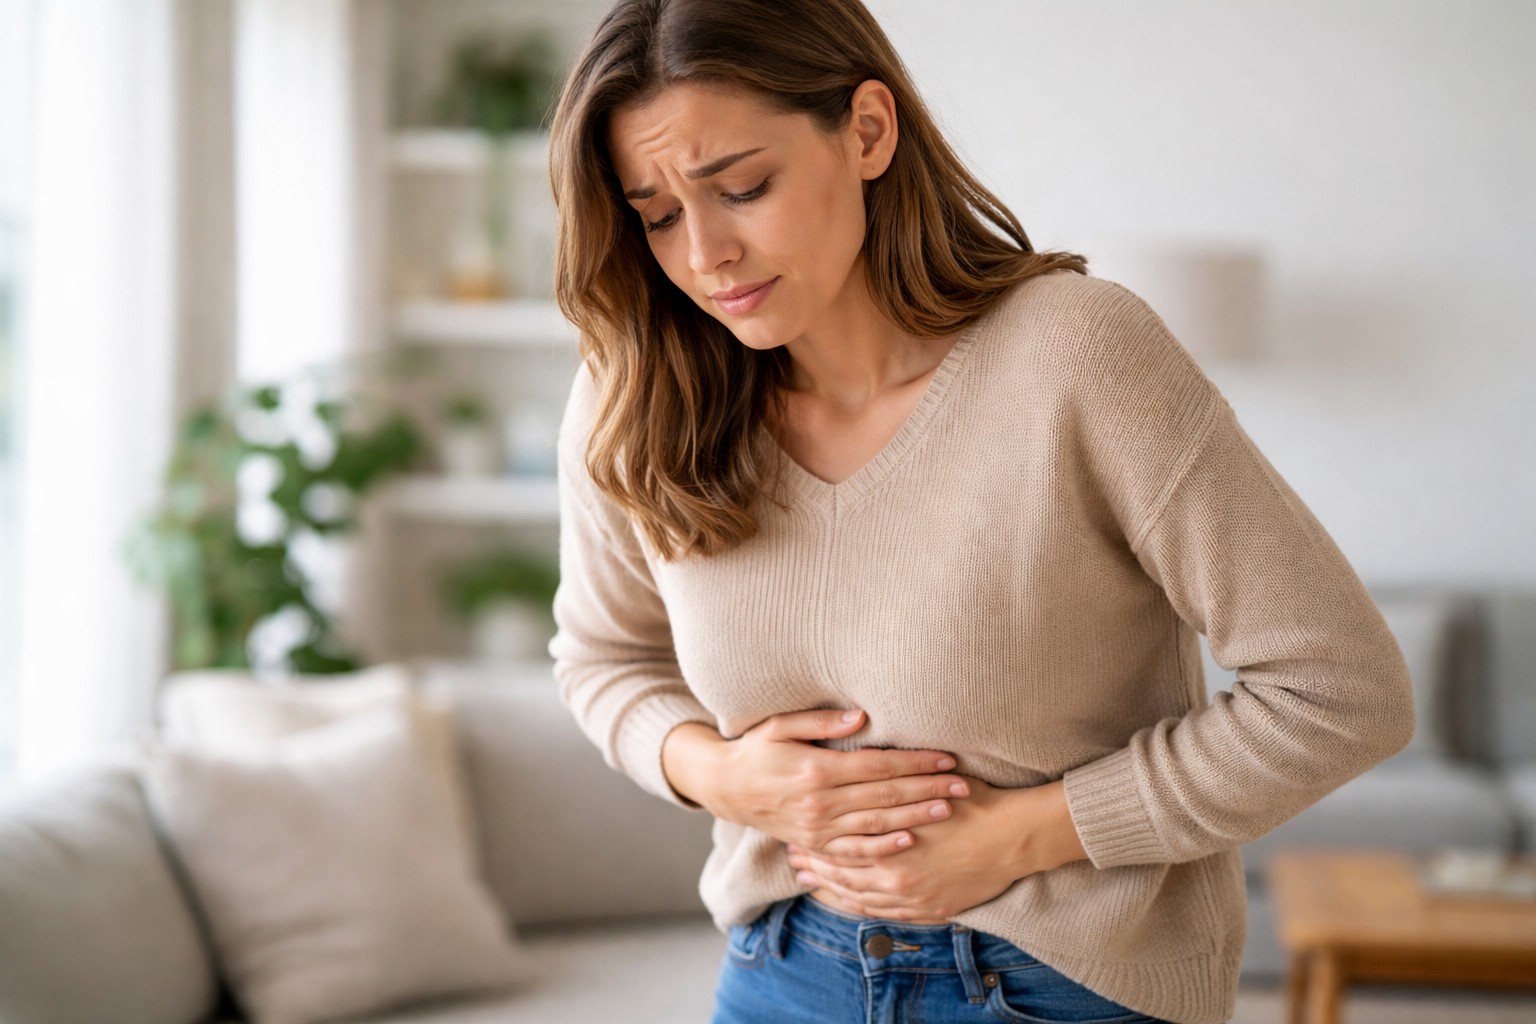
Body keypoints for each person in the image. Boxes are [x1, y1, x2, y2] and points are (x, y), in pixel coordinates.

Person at [545, 1, 1415, 1022]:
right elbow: (603, 660)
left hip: (1063, 982)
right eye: (655, 214)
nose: (705, 256)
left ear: (868, 130)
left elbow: (1341, 691)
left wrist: (1024, 834)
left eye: (743, 187)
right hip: (781, 969)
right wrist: (721, 774)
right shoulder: (635, 389)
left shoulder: (1078, 356)